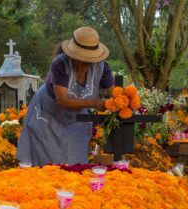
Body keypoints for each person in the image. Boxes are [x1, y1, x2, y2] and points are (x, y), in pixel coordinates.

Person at [17, 26, 115, 166]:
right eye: (81, 58)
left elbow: (112, 91)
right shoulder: (60, 64)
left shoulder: (102, 67)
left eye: (89, 60)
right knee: (49, 165)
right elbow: (62, 100)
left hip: (76, 120)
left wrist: (121, 100)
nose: (85, 63)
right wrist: (94, 102)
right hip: (50, 117)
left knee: (76, 163)